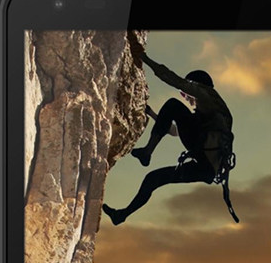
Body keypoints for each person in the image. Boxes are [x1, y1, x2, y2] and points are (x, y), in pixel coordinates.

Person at [102, 47, 239, 225]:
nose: (186, 98)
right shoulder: (212, 113)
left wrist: (144, 58)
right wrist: (152, 114)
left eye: (186, 94)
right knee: (152, 179)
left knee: (173, 105)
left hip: (203, 160)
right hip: (205, 169)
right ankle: (121, 215)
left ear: (195, 87)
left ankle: (148, 151)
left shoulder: (206, 95)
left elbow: (173, 80)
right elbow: (175, 131)